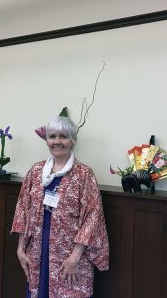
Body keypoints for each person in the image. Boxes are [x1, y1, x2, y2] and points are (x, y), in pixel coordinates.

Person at [11, 115, 109, 298]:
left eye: (63, 136)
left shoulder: (83, 174)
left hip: (70, 253)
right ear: (46, 140)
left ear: (73, 140)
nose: (57, 141)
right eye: (52, 136)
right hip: (38, 249)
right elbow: (22, 209)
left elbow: (93, 217)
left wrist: (75, 257)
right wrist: (20, 248)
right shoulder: (36, 171)